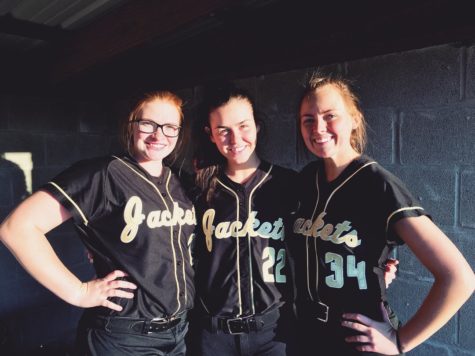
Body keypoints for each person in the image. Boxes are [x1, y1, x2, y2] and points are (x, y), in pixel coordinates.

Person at [0, 91, 197, 355]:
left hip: (178, 334)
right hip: (123, 337)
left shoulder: (180, 181)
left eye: (170, 127)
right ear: (131, 125)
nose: (159, 135)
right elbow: (17, 228)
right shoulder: (103, 174)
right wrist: (78, 292)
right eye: (148, 124)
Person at [291, 73, 475, 355]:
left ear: (354, 119)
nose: (319, 127)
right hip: (308, 335)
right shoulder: (306, 180)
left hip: (356, 340)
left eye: (330, 116)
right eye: (308, 119)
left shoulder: (377, 183)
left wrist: (401, 342)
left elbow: (459, 277)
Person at [190, 85, 299, 356]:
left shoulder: (289, 185)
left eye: (243, 125)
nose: (235, 138)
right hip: (212, 336)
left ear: (257, 126)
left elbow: (324, 237)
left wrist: (373, 262)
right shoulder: (197, 190)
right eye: (223, 130)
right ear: (210, 134)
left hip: (275, 333)